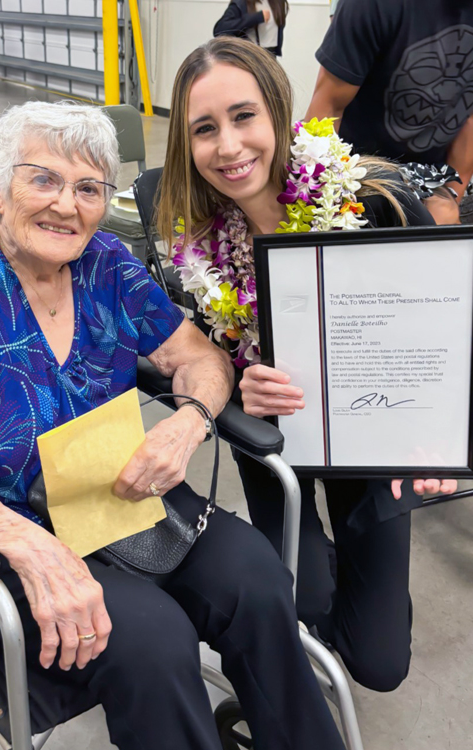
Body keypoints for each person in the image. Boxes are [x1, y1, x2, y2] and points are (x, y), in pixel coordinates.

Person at [0, 100, 346, 750]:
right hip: (11, 533)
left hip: (121, 498)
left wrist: (190, 420)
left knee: (257, 578)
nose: (68, 204)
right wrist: (29, 548)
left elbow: (196, 356)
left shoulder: (106, 265)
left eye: (89, 188)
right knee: (153, 641)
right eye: (44, 179)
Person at [158, 37, 457, 693]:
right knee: (305, 604)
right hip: (276, 445)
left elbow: (440, 330)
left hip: (372, 440)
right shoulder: (199, 245)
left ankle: (368, 602)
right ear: (186, 143)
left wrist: (437, 438)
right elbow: (210, 357)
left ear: (277, 111)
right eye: (204, 129)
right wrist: (239, 385)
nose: (229, 147)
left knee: (378, 665)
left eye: (243, 116)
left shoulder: (373, 198)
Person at [307, 0, 473, 201]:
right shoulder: (372, 5)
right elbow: (327, 110)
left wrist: (450, 196)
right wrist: (325, 204)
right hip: (358, 177)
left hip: (433, 180)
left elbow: (469, 116)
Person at [214, 0, 288, 57]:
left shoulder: (279, 2)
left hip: (270, 56)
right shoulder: (242, 2)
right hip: (250, 55)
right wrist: (255, 17)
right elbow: (220, 30)